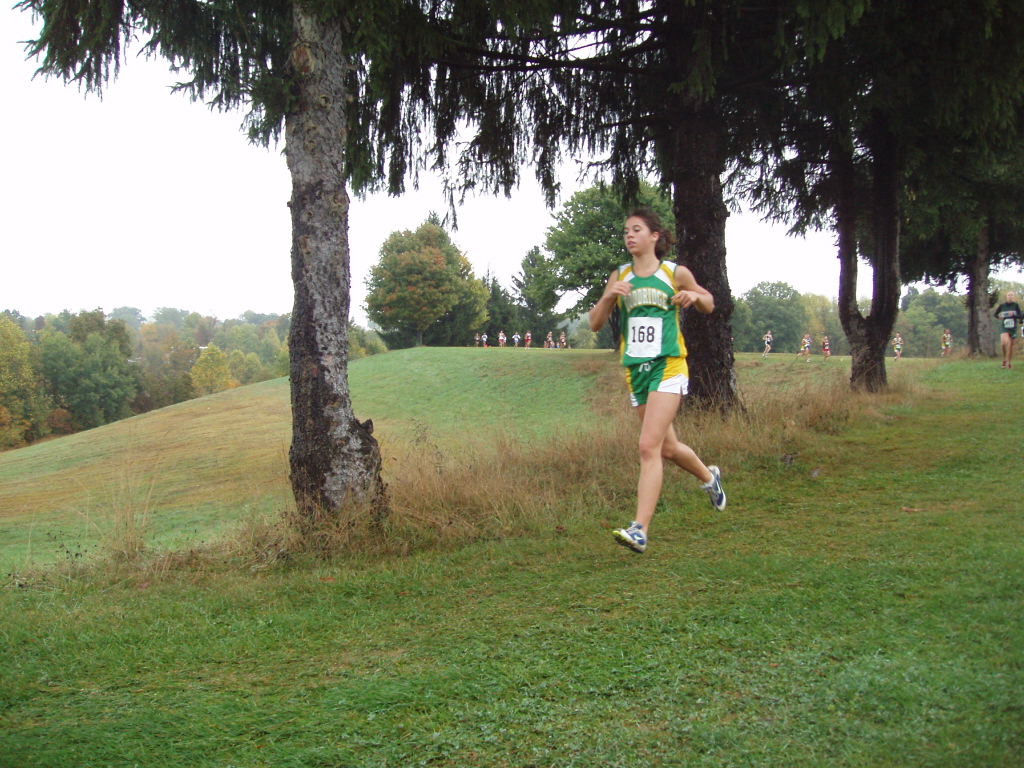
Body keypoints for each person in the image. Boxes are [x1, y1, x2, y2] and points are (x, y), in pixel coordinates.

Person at [588, 207, 727, 554]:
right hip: (636, 370)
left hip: (668, 365)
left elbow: (709, 302)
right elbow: (595, 323)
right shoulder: (620, 274)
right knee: (667, 448)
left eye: (636, 229)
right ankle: (710, 478)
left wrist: (693, 296)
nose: (629, 235)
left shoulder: (673, 272)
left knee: (648, 447)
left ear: (654, 236)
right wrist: (609, 296)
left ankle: (640, 530)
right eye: (626, 231)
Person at [994, 291, 1023, 369]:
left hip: (1013, 328)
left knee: (1010, 345)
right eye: (1009, 295)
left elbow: (1020, 315)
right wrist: (999, 317)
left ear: (1014, 297)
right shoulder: (1002, 306)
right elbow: (995, 314)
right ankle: (1004, 359)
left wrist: (1014, 315)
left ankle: (1009, 362)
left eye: (1012, 295)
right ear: (1006, 297)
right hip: (1005, 327)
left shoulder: (1016, 305)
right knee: (1004, 343)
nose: (1010, 297)